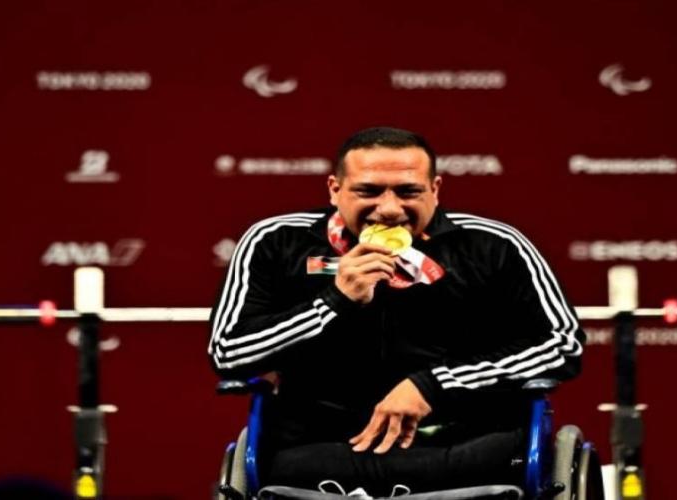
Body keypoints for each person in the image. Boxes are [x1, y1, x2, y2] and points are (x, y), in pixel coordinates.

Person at [208, 127, 585, 496]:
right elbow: (229, 352)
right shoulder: (276, 242)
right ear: (335, 189)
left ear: (435, 189)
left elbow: (562, 344)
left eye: (408, 191)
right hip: (320, 444)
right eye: (368, 191)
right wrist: (334, 301)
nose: (389, 209)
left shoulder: (494, 245)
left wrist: (434, 385)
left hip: (463, 442)